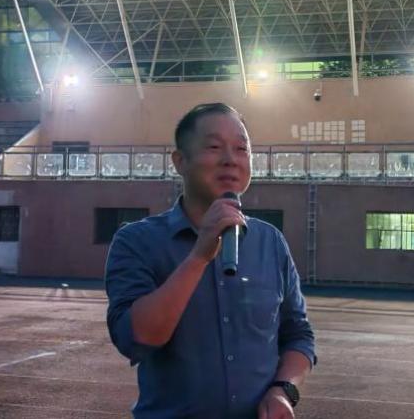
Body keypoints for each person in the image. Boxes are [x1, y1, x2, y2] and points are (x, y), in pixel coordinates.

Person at [105, 103, 316, 418]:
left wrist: (283, 389)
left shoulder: (270, 242)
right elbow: (136, 339)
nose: (231, 159)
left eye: (241, 149)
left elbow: (298, 335)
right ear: (180, 161)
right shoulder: (137, 241)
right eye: (214, 147)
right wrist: (198, 257)